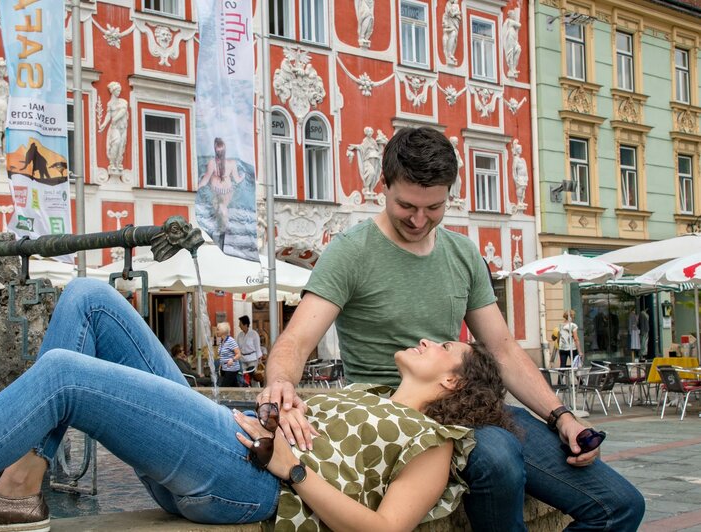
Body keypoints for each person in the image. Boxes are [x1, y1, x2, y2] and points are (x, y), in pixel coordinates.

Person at [0, 279, 516, 531]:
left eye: (441, 346)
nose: (425, 340)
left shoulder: (435, 441)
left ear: (454, 384)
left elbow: (387, 528)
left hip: (246, 484)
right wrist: (289, 411)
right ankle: (21, 489)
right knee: (89, 298)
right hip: (228, 440)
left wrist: (292, 471)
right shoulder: (370, 394)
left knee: (64, 371)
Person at [261, 127, 644, 531]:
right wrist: (280, 381)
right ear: (383, 185)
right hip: (404, 415)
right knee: (497, 460)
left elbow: (502, 348)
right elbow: (298, 338)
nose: (419, 220)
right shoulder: (352, 251)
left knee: (620, 506)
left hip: (471, 403)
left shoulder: (462, 252)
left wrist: (561, 417)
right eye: (407, 206)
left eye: (434, 208)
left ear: (449, 195)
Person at [198, 138, 242, 247]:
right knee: (222, 210)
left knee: (221, 210)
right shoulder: (223, 163)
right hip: (223, 191)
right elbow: (237, 179)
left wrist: (198, 187)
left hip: (223, 191)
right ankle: (223, 233)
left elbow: (206, 179)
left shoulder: (217, 163)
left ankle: (222, 233)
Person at [236, 316, 262, 386]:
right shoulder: (239, 335)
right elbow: (237, 348)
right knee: (242, 376)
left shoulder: (254, 334)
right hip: (243, 359)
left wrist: (259, 359)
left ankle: (256, 391)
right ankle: (245, 391)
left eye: (240, 324)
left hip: (252, 359)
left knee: (253, 377)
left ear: (245, 324)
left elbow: (257, 347)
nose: (239, 326)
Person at [215, 321, 242, 387]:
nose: (216, 331)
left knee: (224, 388)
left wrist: (232, 360)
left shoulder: (231, 341)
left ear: (223, 331)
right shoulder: (222, 341)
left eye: (218, 330)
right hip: (225, 368)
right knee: (234, 387)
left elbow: (239, 354)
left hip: (231, 369)